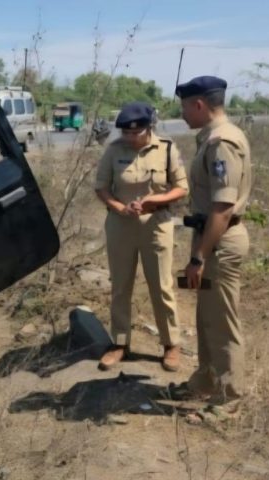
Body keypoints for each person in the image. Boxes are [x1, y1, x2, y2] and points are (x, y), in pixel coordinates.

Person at [173, 76, 252, 406]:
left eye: (184, 107)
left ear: (199, 104)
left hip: (220, 241)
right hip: (209, 237)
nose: (182, 114)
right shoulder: (211, 138)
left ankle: (230, 397)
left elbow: (223, 207)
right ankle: (205, 382)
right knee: (207, 318)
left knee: (221, 321)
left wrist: (199, 257)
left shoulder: (222, 142)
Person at [94, 101, 189, 372]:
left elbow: (181, 188)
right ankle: (119, 343)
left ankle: (171, 344)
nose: (131, 137)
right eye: (126, 132)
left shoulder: (167, 149)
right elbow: (101, 187)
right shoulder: (114, 151)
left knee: (161, 286)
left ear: (149, 128)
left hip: (156, 225)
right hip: (120, 225)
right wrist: (119, 207)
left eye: (136, 133)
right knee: (120, 286)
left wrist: (153, 201)